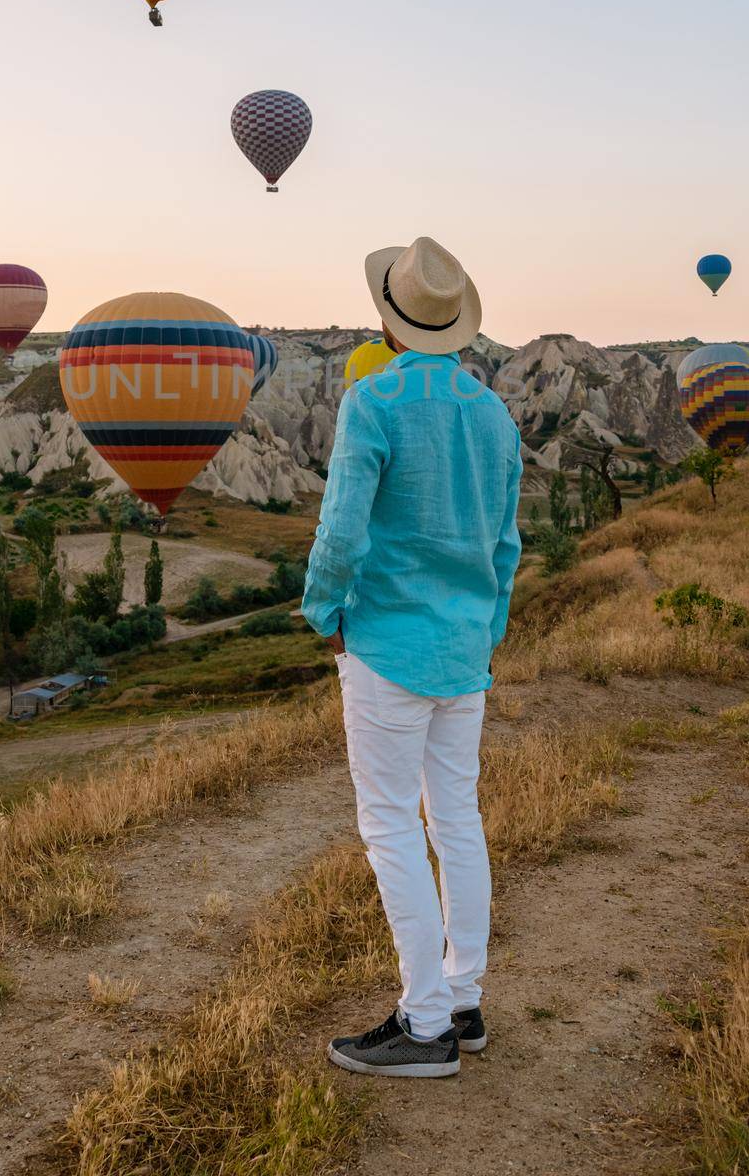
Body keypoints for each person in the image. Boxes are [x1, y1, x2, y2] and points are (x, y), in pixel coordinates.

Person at [302, 236, 522, 1078]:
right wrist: (485, 626)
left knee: (391, 827)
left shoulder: (374, 400)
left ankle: (424, 1025)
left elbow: (341, 526)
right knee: (455, 821)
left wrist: (324, 611)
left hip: (388, 646)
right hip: (463, 650)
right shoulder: (493, 414)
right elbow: (504, 543)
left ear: (386, 320)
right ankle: (462, 1003)